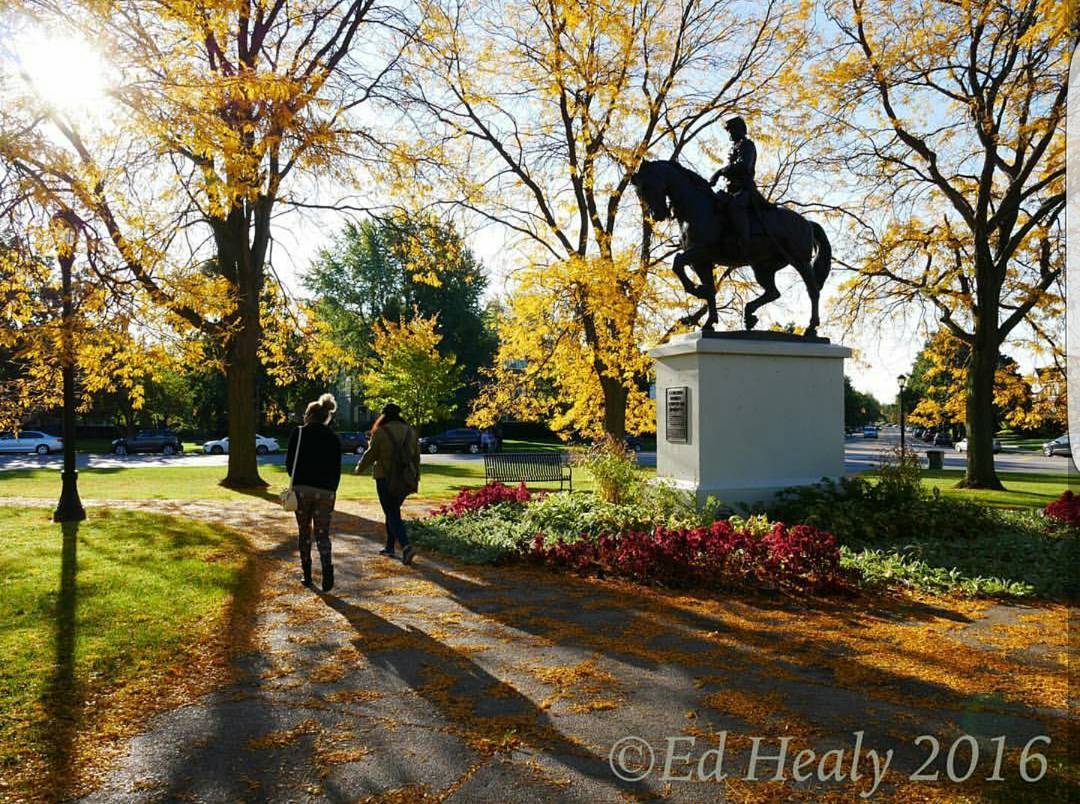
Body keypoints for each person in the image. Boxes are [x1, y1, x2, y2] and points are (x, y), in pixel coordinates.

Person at [285, 393, 342, 591]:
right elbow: (337, 468)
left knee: (304, 531)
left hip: (301, 489)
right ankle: (327, 570)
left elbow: (289, 464)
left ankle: (307, 574)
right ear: (326, 416)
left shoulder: (299, 433)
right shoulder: (333, 438)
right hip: (325, 491)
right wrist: (332, 489)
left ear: (308, 415)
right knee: (322, 533)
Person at [354, 403, 420, 564]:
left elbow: (371, 454)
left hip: (385, 477)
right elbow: (416, 456)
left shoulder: (381, 432)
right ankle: (390, 547)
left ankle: (406, 546)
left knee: (391, 512)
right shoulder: (410, 431)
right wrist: (416, 476)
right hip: (405, 478)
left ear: (383, 415)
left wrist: (359, 468)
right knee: (393, 511)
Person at [708, 116, 759, 251]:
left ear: (740, 129)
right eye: (728, 130)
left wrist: (719, 172)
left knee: (736, 206)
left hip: (744, 189)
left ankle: (744, 241)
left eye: (731, 130)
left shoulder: (747, 145)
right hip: (730, 189)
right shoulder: (734, 147)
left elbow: (744, 165)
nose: (729, 133)